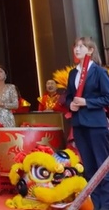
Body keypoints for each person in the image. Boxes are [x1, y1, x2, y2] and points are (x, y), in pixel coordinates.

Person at [66, 36, 109, 210]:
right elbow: (68, 96)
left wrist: (87, 102)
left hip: (96, 124)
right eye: (75, 46)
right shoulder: (73, 73)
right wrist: (70, 104)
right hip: (79, 124)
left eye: (81, 46)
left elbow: (107, 97)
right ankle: (97, 205)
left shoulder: (98, 72)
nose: (77, 49)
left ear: (91, 50)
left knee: (102, 167)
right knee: (89, 169)